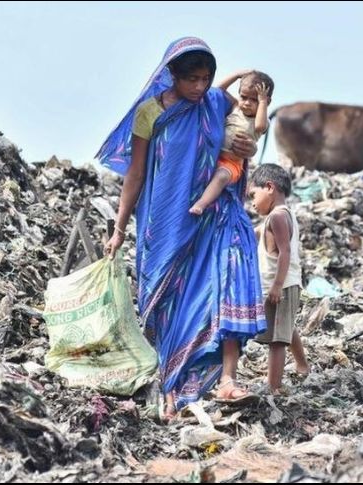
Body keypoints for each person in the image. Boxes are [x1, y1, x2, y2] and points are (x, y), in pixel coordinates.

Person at [97, 37, 266, 423]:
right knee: (165, 307)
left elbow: (244, 138)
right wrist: (120, 228)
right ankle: (169, 389)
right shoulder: (149, 114)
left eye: (206, 79)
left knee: (208, 299)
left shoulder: (216, 104)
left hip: (207, 221)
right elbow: (136, 173)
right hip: (162, 224)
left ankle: (217, 382)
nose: (200, 87)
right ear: (170, 74)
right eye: (192, 79)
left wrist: (247, 148)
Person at [248, 163, 310, 394]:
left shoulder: (277, 217)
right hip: (282, 284)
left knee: (277, 340)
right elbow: (258, 232)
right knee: (284, 327)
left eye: (254, 195)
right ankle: (302, 365)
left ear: (270, 187)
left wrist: (276, 286)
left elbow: (284, 252)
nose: (252, 203)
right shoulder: (277, 216)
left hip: (281, 286)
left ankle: (274, 386)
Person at [189, 70, 274, 216]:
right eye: (244, 97)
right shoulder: (235, 107)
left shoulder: (262, 120)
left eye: (254, 100)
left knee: (221, 177)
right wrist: (236, 75)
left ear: (266, 101)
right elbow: (218, 90)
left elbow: (259, 127)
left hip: (231, 164)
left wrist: (262, 103)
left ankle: (201, 204)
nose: (247, 103)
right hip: (213, 157)